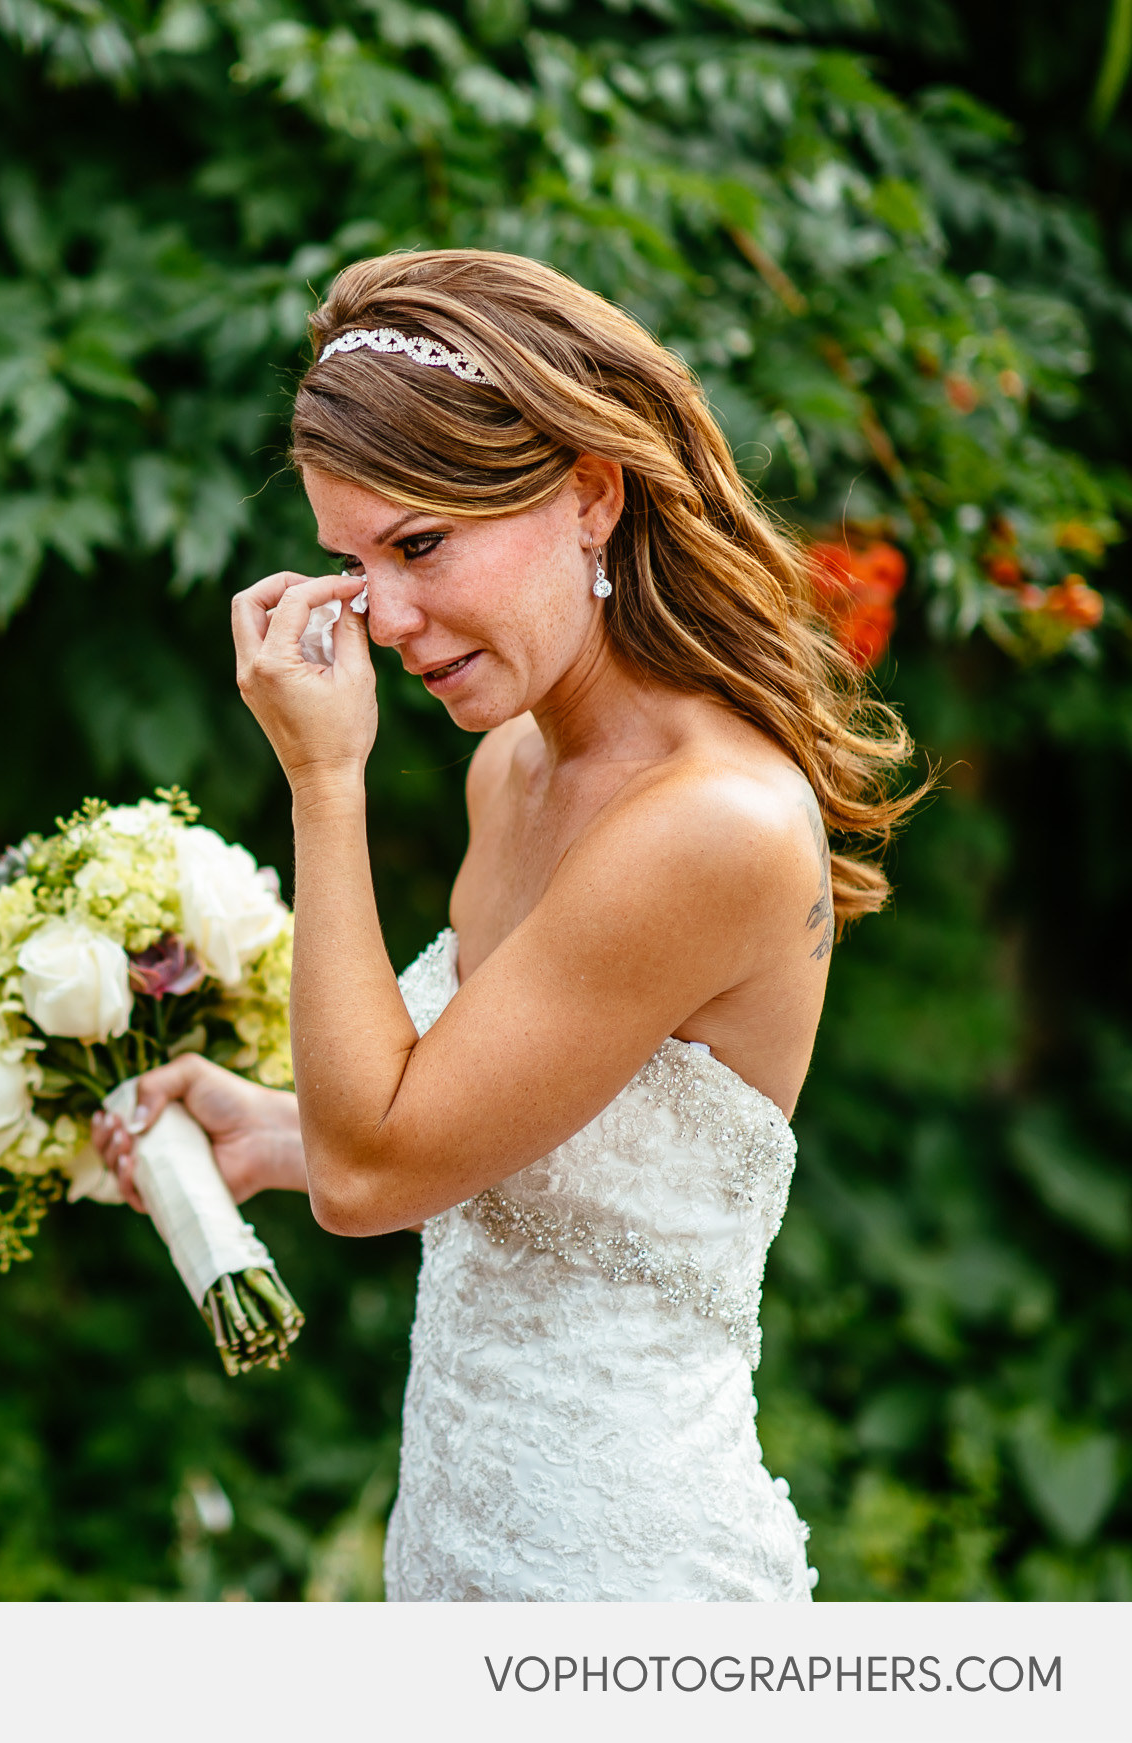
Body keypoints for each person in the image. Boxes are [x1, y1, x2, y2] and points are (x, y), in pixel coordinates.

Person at [95, 249, 922, 1601]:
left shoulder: (711, 825)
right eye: (352, 564)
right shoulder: (513, 768)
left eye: (420, 546)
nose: (390, 619)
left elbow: (379, 1180)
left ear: (590, 496)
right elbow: (485, 1134)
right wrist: (272, 1132)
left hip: (627, 1579)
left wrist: (325, 783)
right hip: (460, 1541)